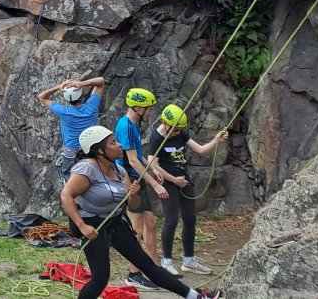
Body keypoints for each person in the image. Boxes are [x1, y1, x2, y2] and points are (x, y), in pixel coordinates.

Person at [61, 126, 222, 299]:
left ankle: (194, 296)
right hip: (90, 223)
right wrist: (82, 226)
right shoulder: (86, 169)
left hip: (113, 222)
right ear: (100, 151)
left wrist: (133, 194)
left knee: (147, 265)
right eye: (113, 143)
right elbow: (66, 195)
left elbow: (133, 204)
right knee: (101, 278)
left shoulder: (119, 170)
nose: (120, 145)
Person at [147, 105, 230, 277]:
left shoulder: (181, 134)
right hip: (169, 181)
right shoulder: (156, 138)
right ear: (165, 123)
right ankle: (167, 260)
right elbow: (152, 165)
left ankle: (189, 260)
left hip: (184, 180)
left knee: (190, 218)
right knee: (171, 219)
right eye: (175, 129)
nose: (178, 132)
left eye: (180, 130)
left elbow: (200, 150)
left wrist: (216, 140)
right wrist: (173, 179)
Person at [115, 87, 168, 289]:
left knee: (151, 224)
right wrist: (155, 184)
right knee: (136, 229)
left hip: (140, 179)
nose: (151, 112)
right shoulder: (126, 127)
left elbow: (139, 156)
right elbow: (132, 161)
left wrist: (153, 169)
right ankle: (133, 274)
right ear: (138, 108)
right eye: (149, 109)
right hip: (131, 182)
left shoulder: (134, 124)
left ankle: (155, 270)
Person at [37, 75, 105, 185]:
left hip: (71, 151)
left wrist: (59, 87)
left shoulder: (63, 111)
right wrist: (82, 84)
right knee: (92, 174)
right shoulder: (92, 106)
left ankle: (70, 192)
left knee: (68, 177)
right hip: (91, 148)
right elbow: (100, 81)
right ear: (80, 94)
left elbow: (42, 97)